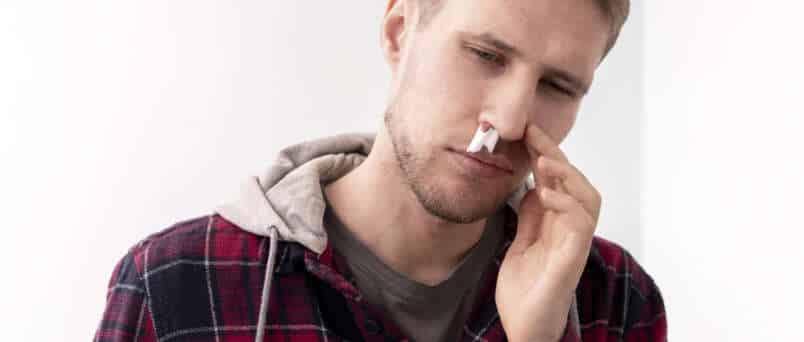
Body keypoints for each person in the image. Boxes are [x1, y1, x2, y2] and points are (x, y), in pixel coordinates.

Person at [94, 0, 666, 341]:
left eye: (558, 86)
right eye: (486, 56)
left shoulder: (614, 299)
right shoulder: (174, 284)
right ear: (398, 32)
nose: (510, 120)